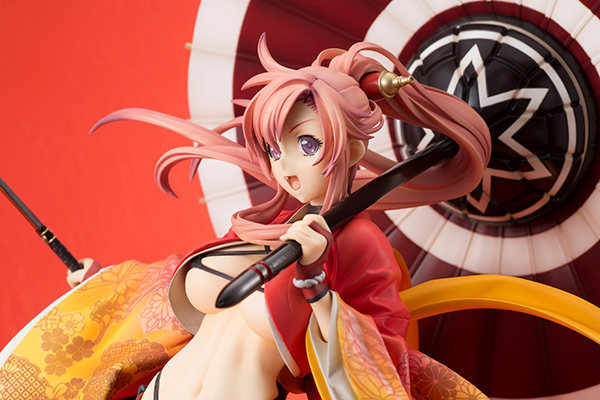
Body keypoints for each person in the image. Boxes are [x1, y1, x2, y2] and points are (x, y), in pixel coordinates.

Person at [88, 34, 490, 400]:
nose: (286, 167)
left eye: (307, 144)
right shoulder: (270, 222)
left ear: (351, 152)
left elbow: (381, 359)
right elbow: (170, 291)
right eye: (275, 150)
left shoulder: (359, 243)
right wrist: (102, 284)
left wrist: (315, 285)